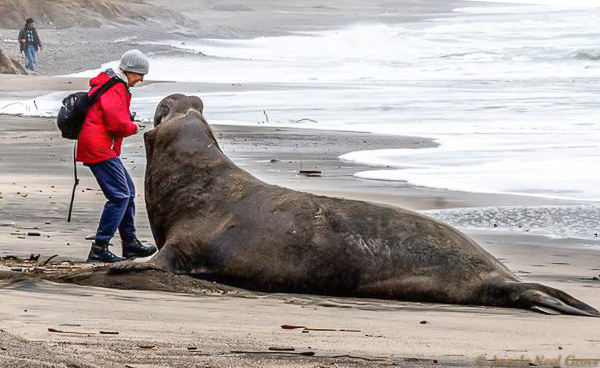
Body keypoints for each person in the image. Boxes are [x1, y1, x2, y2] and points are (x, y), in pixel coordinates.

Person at [77, 49, 157, 263]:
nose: (141, 79)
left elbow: (109, 115)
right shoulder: (116, 86)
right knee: (120, 195)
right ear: (130, 71)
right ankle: (100, 247)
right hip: (98, 147)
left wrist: (126, 120)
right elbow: (116, 123)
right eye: (140, 74)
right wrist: (133, 126)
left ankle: (130, 243)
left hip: (101, 145)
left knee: (127, 191)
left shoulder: (111, 83)